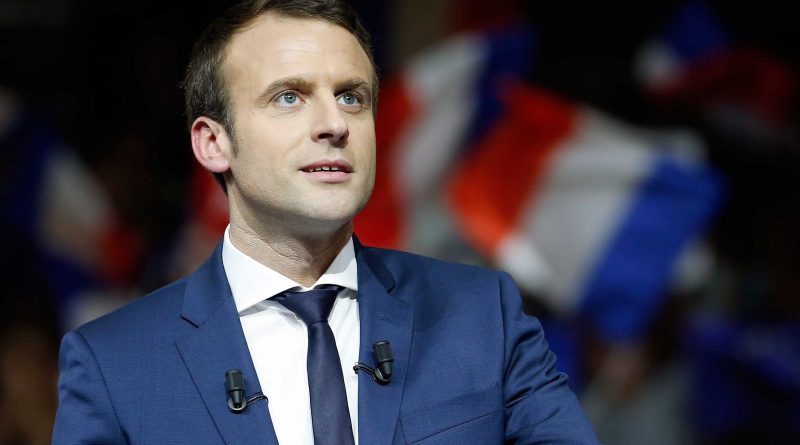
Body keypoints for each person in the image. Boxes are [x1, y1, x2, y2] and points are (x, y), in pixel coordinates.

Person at [52, 0, 600, 443]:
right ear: (213, 142)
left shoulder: (485, 315)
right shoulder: (113, 364)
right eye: (289, 97)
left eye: (352, 97)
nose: (334, 123)